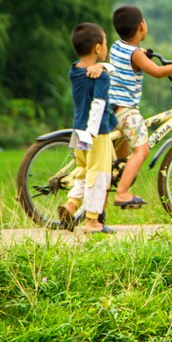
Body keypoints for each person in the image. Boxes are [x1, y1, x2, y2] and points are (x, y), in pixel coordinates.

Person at [106, 5, 172, 207]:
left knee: (117, 156)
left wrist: (142, 52)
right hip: (126, 111)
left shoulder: (116, 46)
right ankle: (122, 193)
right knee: (142, 149)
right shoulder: (136, 54)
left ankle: (110, 193)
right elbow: (156, 71)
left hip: (109, 109)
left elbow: (126, 60)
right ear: (141, 27)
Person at [58, 22, 118, 233]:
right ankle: (92, 221)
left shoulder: (74, 70)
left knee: (83, 171)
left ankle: (71, 204)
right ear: (98, 48)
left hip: (78, 131)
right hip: (96, 133)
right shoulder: (101, 77)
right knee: (99, 175)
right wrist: (93, 132)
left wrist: (102, 66)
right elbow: (99, 104)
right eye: (105, 42)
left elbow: (106, 68)